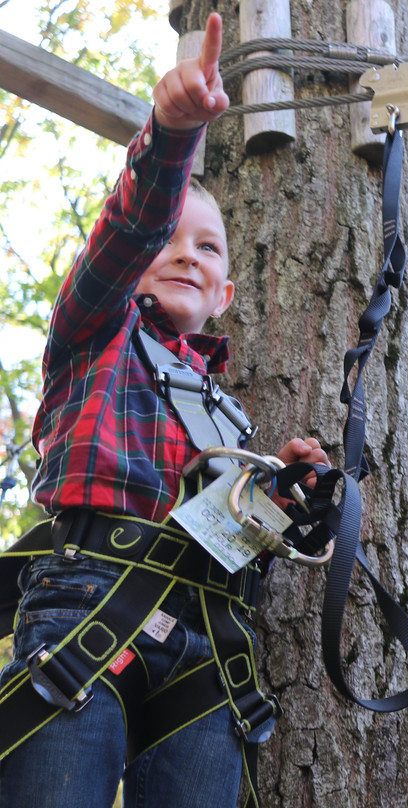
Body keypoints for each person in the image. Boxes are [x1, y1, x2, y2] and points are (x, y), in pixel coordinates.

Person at [0, 14, 327, 808]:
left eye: (208, 248)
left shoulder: (228, 422)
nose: (184, 251)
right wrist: (172, 139)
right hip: (86, 611)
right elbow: (129, 227)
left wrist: (283, 493)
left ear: (226, 295)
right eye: (169, 240)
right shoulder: (94, 332)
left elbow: (227, 536)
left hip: (208, 651)